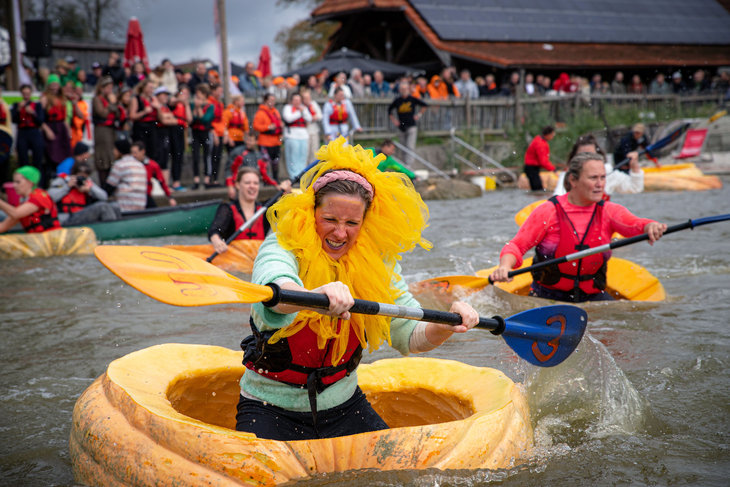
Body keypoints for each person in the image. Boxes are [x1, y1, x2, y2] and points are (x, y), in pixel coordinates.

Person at [235, 138, 479, 441]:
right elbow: (274, 289)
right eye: (329, 219)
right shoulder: (283, 243)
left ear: (365, 221)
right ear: (312, 213)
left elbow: (409, 337)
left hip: (345, 408)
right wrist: (316, 295)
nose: (340, 232)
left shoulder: (377, 262)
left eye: (352, 222)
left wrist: (448, 324)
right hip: (269, 407)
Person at [490, 152, 667, 303]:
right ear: (573, 180)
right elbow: (516, 246)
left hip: (594, 299)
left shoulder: (609, 212)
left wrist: (650, 226)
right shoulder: (548, 211)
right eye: (593, 178)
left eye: (603, 178)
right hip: (546, 298)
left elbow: (635, 225)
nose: (600, 184)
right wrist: (505, 267)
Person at [553, 135, 643, 197]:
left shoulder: (607, 171)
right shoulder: (570, 175)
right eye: (582, 155)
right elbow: (558, 196)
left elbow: (634, 187)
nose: (586, 159)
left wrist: (635, 166)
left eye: (590, 155)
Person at [209, 167, 270, 253]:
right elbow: (214, 230)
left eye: (255, 183)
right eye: (247, 183)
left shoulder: (265, 209)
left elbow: (285, 207)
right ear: (237, 185)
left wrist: (286, 192)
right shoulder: (227, 209)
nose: (252, 186)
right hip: (234, 261)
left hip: (258, 259)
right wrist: (216, 240)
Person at [48, 161, 121, 225]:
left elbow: (104, 196)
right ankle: (111, 232)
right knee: (102, 206)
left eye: (85, 176)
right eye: (80, 176)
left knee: (115, 206)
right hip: (68, 218)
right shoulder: (63, 181)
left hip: (84, 214)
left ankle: (118, 231)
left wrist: (90, 189)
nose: (81, 179)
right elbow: (50, 197)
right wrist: (67, 186)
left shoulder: (86, 182)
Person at [225, 133, 290, 199]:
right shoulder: (237, 152)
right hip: (240, 184)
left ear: (256, 142)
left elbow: (264, 173)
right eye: (247, 140)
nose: (249, 142)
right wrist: (230, 186)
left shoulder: (258, 155)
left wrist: (276, 185)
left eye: (251, 140)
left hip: (253, 184)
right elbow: (229, 170)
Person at [0, 166, 61, 233]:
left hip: (51, 239)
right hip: (36, 240)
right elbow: (3, 226)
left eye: (18, 182)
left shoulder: (39, 196)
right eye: (14, 182)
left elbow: (16, 213)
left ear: (30, 182)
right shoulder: (23, 202)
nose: (14, 185)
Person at [40, 74, 72, 186]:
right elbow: (40, 118)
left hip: (60, 128)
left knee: (64, 155)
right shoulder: (44, 98)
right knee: (51, 155)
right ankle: (49, 181)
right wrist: (47, 130)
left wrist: (68, 131)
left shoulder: (62, 98)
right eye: (52, 84)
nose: (54, 87)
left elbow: (64, 118)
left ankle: (61, 179)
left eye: (56, 84)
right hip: (50, 127)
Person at [388, 81, 427, 166]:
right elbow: (389, 111)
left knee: (410, 147)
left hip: (411, 126)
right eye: (402, 89)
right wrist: (394, 121)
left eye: (405, 89)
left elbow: (424, 105)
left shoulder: (412, 99)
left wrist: (418, 115)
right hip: (401, 126)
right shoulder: (397, 100)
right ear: (400, 90)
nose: (403, 90)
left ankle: (409, 166)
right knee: (402, 147)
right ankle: (403, 165)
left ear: (408, 89)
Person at [103, 138, 147, 212]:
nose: (113, 152)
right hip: (141, 206)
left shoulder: (120, 164)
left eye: (114, 149)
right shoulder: (141, 165)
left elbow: (108, 188)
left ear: (119, 151)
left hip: (124, 207)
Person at [91, 76, 121, 184]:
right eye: (108, 87)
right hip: (101, 130)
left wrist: (114, 103)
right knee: (103, 156)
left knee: (111, 155)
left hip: (111, 130)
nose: (110, 90)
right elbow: (102, 113)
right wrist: (112, 104)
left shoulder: (109, 99)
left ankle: (111, 183)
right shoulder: (97, 99)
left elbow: (117, 113)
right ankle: (103, 184)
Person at [130, 141, 176, 208]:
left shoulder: (152, 165)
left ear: (143, 151)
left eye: (135, 153)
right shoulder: (128, 165)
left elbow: (162, 182)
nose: (133, 155)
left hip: (145, 196)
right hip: (131, 196)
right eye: (132, 153)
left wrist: (170, 197)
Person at [12, 84, 45, 170]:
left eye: (28, 93)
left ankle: (37, 180)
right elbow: (14, 120)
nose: (26, 95)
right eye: (24, 93)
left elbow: (40, 121)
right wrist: (19, 109)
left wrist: (33, 113)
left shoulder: (37, 105)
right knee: (23, 158)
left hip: (34, 132)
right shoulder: (17, 105)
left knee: (37, 158)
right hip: (22, 132)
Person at [129, 79, 160, 168]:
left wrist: (157, 108)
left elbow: (159, 116)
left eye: (152, 88)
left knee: (153, 151)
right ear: (143, 88)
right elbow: (132, 116)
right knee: (141, 150)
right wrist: (144, 112)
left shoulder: (153, 99)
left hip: (152, 127)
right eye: (150, 87)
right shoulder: (136, 99)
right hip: (140, 128)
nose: (151, 90)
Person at [190, 83, 216, 189]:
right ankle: (196, 180)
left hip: (205, 133)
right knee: (195, 156)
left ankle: (207, 179)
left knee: (207, 156)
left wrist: (199, 108)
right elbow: (192, 120)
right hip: (195, 133)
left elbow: (205, 119)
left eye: (199, 94)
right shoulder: (192, 105)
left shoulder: (210, 106)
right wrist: (196, 109)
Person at [253, 93, 283, 181]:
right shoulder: (260, 113)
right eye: (271, 100)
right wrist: (268, 127)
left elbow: (279, 124)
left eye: (274, 100)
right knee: (265, 163)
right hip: (265, 142)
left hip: (276, 141)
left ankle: (275, 179)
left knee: (275, 162)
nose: (273, 102)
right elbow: (256, 126)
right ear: (266, 101)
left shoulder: (275, 112)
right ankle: (266, 180)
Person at [282, 92, 313, 178]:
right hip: (292, 135)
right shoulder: (287, 108)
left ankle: (301, 175)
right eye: (295, 100)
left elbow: (309, 119)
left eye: (299, 100)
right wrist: (300, 113)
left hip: (303, 135)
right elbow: (288, 118)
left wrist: (303, 111)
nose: (297, 102)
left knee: (303, 156)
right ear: (291, 101)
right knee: (293, 157)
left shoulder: (304, 108)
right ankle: (293, 175)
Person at [169, 85, 192, 191]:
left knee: (180, 155)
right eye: (184, 93)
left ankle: (177, 182)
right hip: (173, 129)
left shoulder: (185, 104)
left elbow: (189, 119)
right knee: (174, 154)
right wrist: (181, 99)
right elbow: (172, 102)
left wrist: (186, 105)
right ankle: (173, 182)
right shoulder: (174, 100)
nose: (185, 96)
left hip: (181, 130)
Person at [524, 126, 556, 191]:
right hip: (532, 169)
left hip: (531, 168)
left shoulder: (538, 139)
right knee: (538, 190)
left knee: (536, 189)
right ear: (548, 134)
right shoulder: (541, 144)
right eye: (552, 135)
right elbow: (543, 162)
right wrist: (553, 169)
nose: (553, 136)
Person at [300, 88, 323, 165]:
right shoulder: (301, 106)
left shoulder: (313, 104)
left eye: (309, 97)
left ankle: (312, 168)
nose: (308, 99)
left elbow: (320, 115)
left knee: (314, 150)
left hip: (314, 130)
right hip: (305, 132)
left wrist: (314, 117)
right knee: (306, 151)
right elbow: (306, 118)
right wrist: (312, 118)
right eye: (306, 98)